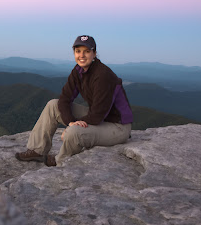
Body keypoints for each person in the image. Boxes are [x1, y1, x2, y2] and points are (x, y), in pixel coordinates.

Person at [15, 35, 133, 166]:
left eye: (87, 51)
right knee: (53, 105)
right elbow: (65, 98)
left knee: (74, 132)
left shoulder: (103, 76)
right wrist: (70, 122)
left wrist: (73, 127)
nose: (81, 55)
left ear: (94, 53)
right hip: (99, 117)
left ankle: (61, 160)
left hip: (117, 126)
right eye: (78, 51)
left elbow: (98, 115)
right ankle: (37, 150)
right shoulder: (78, 71)